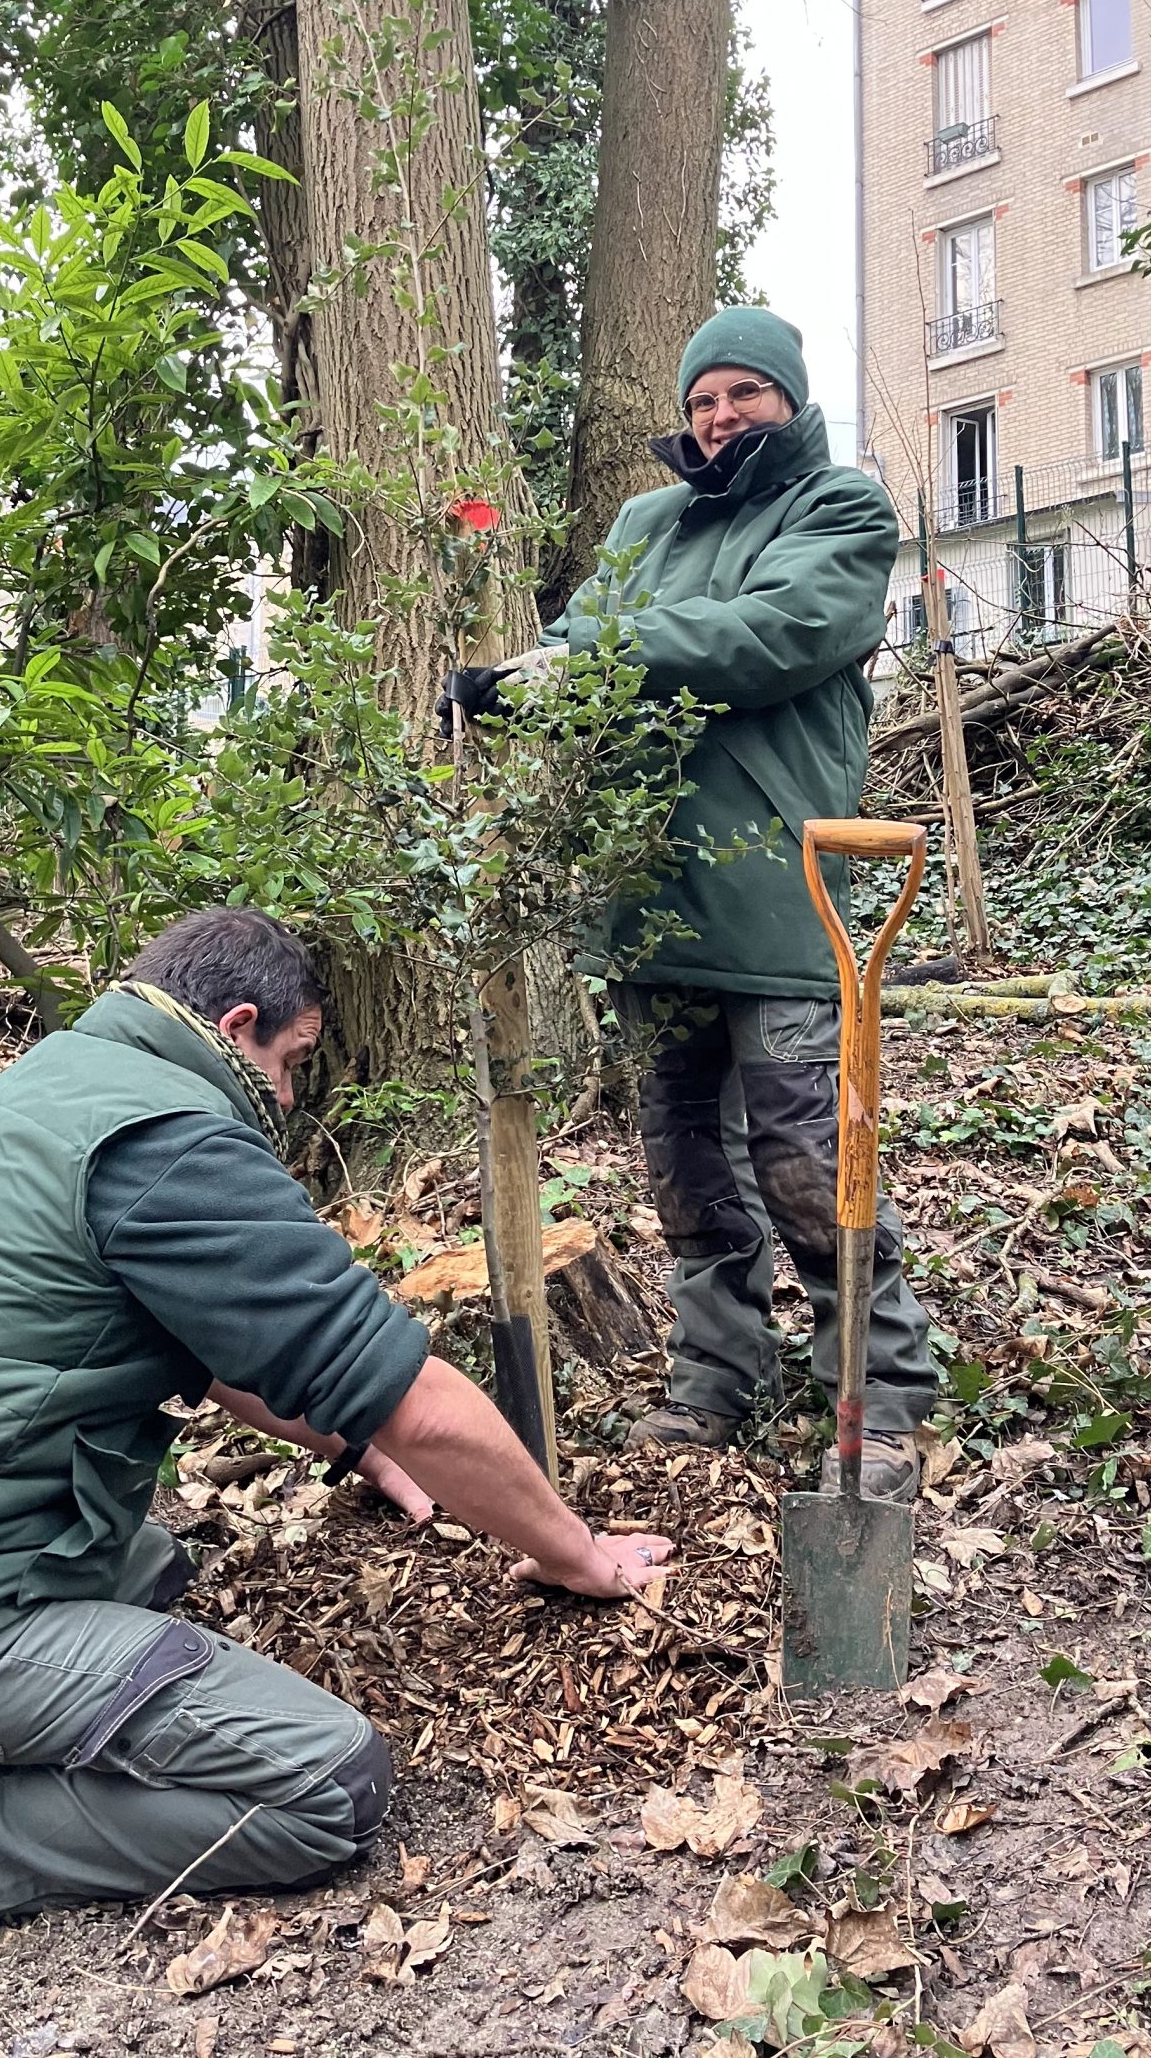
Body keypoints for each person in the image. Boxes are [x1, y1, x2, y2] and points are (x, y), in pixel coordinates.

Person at [0, 909, 671, 2058]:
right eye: (292, 1062)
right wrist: (575, 1552)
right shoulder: (171, 1139)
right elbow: (425, 1399)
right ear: (237, 1025)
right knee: (325, 1784)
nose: (288, 1098)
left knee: (145, 1567)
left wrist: (357, 1444)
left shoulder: (67, 1084)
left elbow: (220, 1346)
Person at [447, 307, 935, 1492]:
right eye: (703, 398)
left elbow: (771, 633)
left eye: (744, 392)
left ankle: (879, 1390)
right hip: (649, 898)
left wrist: (598, 658)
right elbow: (579, 637)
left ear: (788, 398)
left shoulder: (840, 508)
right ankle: (716, 1375)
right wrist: (520, 682)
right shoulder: (644, 522)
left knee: (807, 1156)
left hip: (781, 895)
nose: (720, 416)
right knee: (684, 1165)